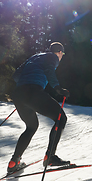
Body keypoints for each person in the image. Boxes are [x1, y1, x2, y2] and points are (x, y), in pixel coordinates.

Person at [7, 42, 70, 173]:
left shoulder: (34, 57)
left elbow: (16, 76)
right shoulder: (52, 57)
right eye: (62, 54)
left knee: (31, 127)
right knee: (61, 118)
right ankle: (50, 157)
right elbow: (49, 71)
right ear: (59, 52)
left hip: (19, 94)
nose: (61, 57)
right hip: (32, 92)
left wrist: (24, 91)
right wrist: (58, 88)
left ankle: (14, 162)